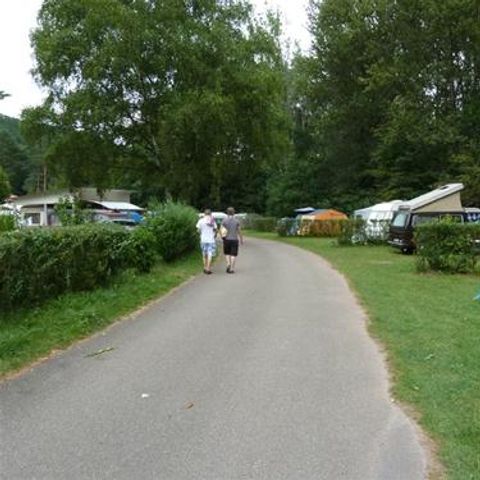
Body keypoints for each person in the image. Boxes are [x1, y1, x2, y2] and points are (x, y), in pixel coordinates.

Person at [221, 207, 243, 274]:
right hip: (234, 240)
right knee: (233, 254)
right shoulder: (237, 221)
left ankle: (228, 263)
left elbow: (221, 230)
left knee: (227, 253)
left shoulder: (224, 221)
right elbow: (239, 231)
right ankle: (232, 269)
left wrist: (222, 236)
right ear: (234, 213)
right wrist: (241, 239)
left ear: (227, 212)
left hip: (226, 239)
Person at [196, 209, 217, 274]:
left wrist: (200, 233)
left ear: (204, 214)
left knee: (204, 254)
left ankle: (205, 267)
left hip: (203, 240)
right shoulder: (212, 220)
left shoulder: (201, 220)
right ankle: (208, 268)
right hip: (211, 240)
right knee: (210, 254)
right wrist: (214, 235)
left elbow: (198, 230)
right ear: (210, 214)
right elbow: (216, 230)